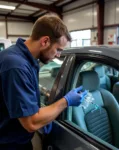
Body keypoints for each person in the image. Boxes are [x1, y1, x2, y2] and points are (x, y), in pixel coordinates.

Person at [0, 15, 87, 149]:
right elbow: (31, 123)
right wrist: (66, 101)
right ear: (45, 41)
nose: (58, 55)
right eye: (58, 49)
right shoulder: (16, 66)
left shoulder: (26, 59)